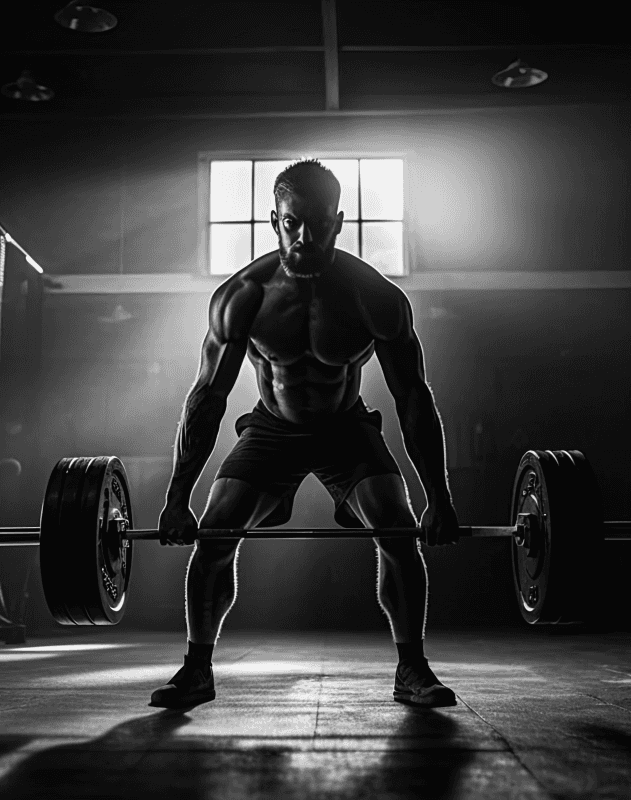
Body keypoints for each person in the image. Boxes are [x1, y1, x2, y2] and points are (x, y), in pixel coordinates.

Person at [151, 159, 460, 710]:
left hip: (346, 427)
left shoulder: (375, 297)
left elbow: (414, 397)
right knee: (216, 532)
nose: (305, 236)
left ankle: (412, 669)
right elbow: (208, 398)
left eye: (318, 223)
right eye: (293, 223)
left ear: (338, 222)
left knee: (398, 526)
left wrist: (440, 497)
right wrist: (177, 499)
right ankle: (197, 668)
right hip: (274, 429)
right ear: (275, 220)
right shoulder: (243, 295)